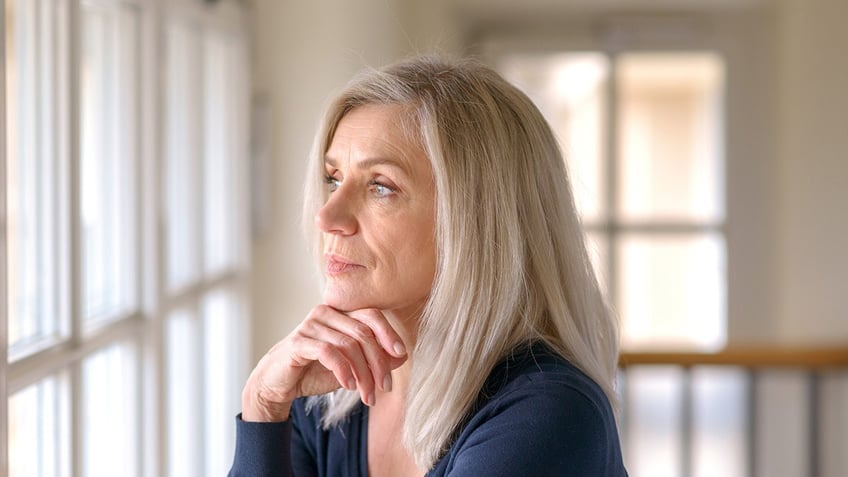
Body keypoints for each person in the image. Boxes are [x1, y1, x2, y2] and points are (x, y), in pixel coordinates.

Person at [229, 56, 628, 476]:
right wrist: (261, 404)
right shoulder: (328, 402)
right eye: (333, 178)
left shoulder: (548, 414)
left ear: (474, 222)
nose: (327, 216)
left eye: (380, 186)